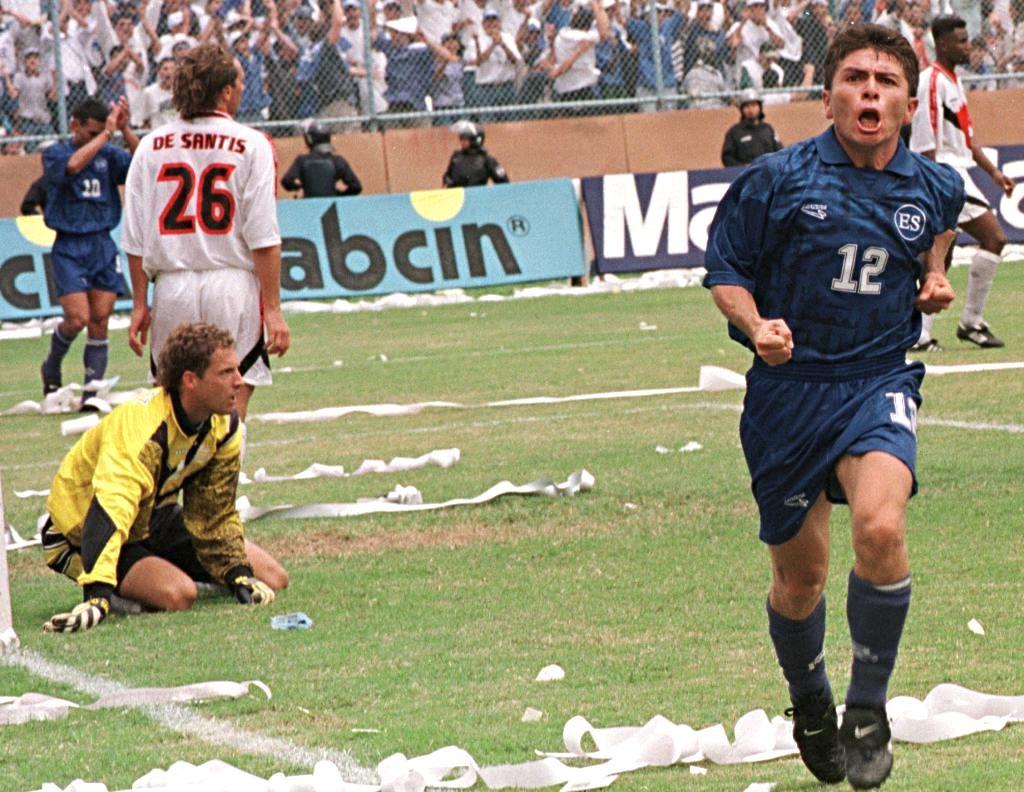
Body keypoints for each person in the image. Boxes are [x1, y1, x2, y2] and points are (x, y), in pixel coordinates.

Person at [703, 23, 964, 790]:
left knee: (882, 527)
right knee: (801, 579)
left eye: (885, 82)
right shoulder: (776, 180)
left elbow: (944, 226)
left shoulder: (932, 183)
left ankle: (868, 708)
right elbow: (725, 270)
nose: (869, 92)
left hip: (878, 380)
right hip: (787, 395)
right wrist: (756, 326)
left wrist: (936, 273)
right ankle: (810, 703)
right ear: (828, 97)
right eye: (855, 79)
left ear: (908, 104)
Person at [41, 322, 288, 634]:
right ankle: (124, 587)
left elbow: (213, 512)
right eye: (226, 373)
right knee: (178, 595)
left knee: (271, 577)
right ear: (190, 380)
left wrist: (235, 571)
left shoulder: (224, 426)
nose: (239, 382)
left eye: (238, 370)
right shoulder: (141, 428)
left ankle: (158, 570)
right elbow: (110, 509)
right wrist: (97, 593)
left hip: (151, 518)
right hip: (81, 528)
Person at [123, 43, 291, 421]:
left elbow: (134, 238)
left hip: (171, 287)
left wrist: (139, 304)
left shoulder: (150, 146)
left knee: (170, 412)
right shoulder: (252, 144)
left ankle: (169, 480)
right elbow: (263, 235)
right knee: (232, 410)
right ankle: (223, 480)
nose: (244, 90)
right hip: (232, 285)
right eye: (241, 82)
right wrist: (274, 310)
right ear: (226, 91)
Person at [909, 14, 1015, 351]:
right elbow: (925, 137)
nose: (968, 46)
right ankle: (965, 322)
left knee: (944, 251)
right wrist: (931, 183)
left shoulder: (953, 82)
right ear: (942, 44)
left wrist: (995, 174)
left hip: (957, 171)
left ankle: (928, 332)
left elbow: (966, 139)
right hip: (943, 174)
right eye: (962, 40)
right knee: (993, 237)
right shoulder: (931, 81)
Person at [40, 97, 140, 405]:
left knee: (100, 317)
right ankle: (52, 363)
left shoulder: (109, 154)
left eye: (100, 131)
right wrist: (106, 136)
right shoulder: (56, 153)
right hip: (69, 245)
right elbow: (71, 166)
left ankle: (92, 391)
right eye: (90, 132)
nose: (96, 137)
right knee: (77, 318)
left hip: (101, 242)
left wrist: (125, 130)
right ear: (74, 125)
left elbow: (142, 165)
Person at [281, 119, 363, 197]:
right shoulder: (338, 161)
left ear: (310, 139)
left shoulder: (301, 161)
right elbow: (356, 187)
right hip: (332, 206)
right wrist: (339, 195)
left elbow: (286, 181)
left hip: (308, 205)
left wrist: (299, 186)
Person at [720, 89, 782, 166]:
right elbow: (727, 157)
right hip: (746, 174)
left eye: (754, 105)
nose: (750, 109)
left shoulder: (768, 129)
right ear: (742, 109)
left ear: (760, 107)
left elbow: (780, 152)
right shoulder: (734, 132)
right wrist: (742, 167)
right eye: (746, 106)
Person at [442, 119, 508, 187]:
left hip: (476, 195)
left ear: (475, 140)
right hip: (458, 195)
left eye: (465, 139)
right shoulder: (456, 156)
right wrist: (448, 181)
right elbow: (447, 176)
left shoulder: (487, 160)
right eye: (461, 138)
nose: (462, 141)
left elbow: (503, 182)